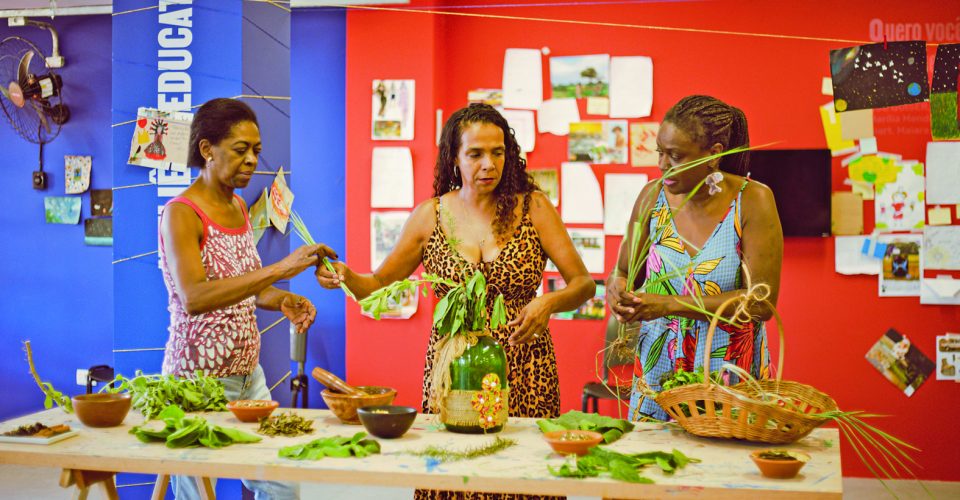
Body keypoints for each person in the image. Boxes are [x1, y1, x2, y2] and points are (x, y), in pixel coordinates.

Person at [317, 103, 594, 500]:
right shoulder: (431, 216)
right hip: (454, 365)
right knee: (453, 467)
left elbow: (582, 283)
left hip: (525, 364)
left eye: (497, 152)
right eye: (476, 154)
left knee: (523, 472)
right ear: (454, 157)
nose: (488, 164)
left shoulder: (533, 208)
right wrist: (343, 275)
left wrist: (548, 302)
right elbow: (376, 283)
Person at [159, 98, 337, 499]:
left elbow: (244, 285)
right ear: (207, 149)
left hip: (247, 376)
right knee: (198, 493)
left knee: (280, 483)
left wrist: (281, 300)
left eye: (256, 150)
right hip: (197, 383)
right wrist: (279, 270)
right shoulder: (181, 214)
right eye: (241, 150)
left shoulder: (238, 205)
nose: (252, 160)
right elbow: (194, 297)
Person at [605, 95, 784, 422]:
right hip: (657, 373)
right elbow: (622, 270)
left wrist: (669, 304)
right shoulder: (650, 197)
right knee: (653, 466)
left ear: (713, 155)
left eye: (675, 156)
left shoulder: (753, 200)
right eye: (660, 152)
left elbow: (762, 303)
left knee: (723, 469)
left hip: (727, 373)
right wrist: (617, 289)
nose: (662, 166)